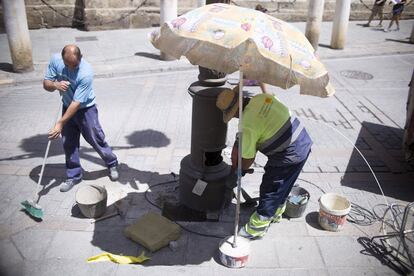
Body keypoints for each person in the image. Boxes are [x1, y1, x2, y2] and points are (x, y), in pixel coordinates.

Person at [216, 86, 312, 239]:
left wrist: (239, 172)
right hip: (304, 141)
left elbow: (248, 158)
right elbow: (270, 103)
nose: (233, 117)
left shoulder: (246, 124)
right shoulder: (260, 98)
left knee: (270, 189)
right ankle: (276, 214)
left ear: (235, 110)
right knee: (285, 184)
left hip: (289, 154)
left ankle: (256, 228)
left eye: (232, 114)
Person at [43, 45, 119, 192]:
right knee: (68, 143)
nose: (71, 69)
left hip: (85, 109)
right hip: (67, 107)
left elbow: (76, 103)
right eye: (67, 65)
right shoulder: (55, 60)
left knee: (96, 139)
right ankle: (74, 175)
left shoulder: (86, 72)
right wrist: (55, 84)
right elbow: (46, 84)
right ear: (62, 59)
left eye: (75, 65)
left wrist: (60, 123)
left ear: (81, 57)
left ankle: (112, 163)